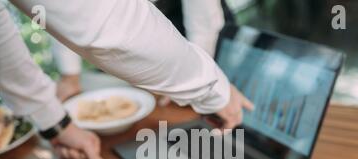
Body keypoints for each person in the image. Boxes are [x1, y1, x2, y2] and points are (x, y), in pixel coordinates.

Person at [0, 0, 253, 159]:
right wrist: (211, 88)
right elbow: (96, 17)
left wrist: (54, 121)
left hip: (182, 36)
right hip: (160, 48)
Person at [54, 0, 233, 102]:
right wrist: (70, 75)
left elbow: (203, 25)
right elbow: (67, 9)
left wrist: (194, 79)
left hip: (199, 35)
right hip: (142, 34)